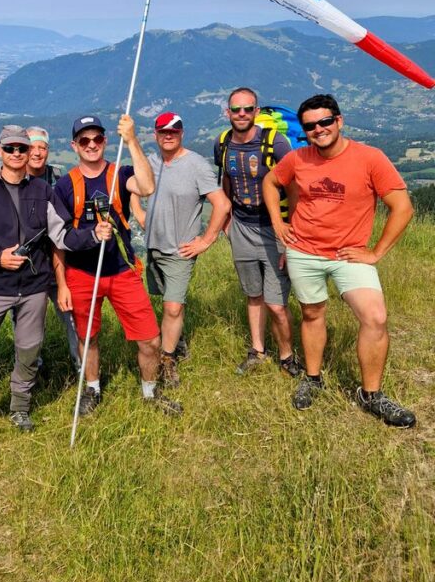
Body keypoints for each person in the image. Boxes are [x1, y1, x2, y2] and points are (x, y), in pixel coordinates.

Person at [0, 126, 110, 445]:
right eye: (10, 148)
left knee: (28, 353)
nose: (17, 154)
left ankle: (20, 409)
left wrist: (93, 234)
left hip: (33, 288)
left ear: (29, 154)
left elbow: (62, 235)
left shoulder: (43, 191)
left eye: (22, 149)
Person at [262, 94, 416, 426]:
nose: (319, 129)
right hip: (304, 251)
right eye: (310, 126)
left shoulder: (369, 158)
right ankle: (313, 379)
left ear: (339, 121)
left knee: (375, 317)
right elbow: (271, 182)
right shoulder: (298, 158)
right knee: (312, 313)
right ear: (304, 130)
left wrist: (375, 253)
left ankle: (370, 395)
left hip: (350, 254)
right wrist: (278, 223)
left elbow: (402, 208)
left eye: (325, 122)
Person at [53, 114, 182, 417]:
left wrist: (133, 140)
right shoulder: (64, 186)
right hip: (82, 273)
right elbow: (58, 238)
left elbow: (148, 186)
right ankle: (93, 388)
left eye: (97, 138)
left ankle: (150, 393)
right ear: (74, 145)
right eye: (84, 140)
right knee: (88, 337)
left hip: (122, 269)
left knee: (150, 339)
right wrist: (90, 237)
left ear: (105, 140)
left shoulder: (121, 173)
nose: (92, 145)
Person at [132, 112, 230, 389]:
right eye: (163, 130)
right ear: (155, 134)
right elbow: (134, 189)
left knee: (173, 307)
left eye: (174, 130)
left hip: (180, 250)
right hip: (153, 247)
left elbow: (221, 205)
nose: (168, 135)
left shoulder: (196, 165)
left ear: (182, 133)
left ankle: (168, 358)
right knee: (165, 301)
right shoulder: (150, 162)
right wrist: (138, 211)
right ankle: (177, 339)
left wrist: (205, 241)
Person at [214, 88, 303, 377]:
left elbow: (293, 187)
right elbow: (226, 178)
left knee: (276, 304)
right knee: (253, 295)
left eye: (247, 109)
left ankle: (287, 355)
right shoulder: (223, 143)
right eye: (236, 109)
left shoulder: (275, 143)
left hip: (274, 228)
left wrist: (291, 234)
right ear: (228, 112)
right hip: (242, 225)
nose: (241, 114)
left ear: (256, 111)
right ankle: (258, 351)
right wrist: (227, 218)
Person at [25, 125, 81, 374]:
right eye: (32, 147)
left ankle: (83, 368)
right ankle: (31, 373)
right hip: (27, 268)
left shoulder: (60, 178)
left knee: (73, 318)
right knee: (27, 326)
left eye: (43, 148)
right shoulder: (6, 176)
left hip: (60, 264)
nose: (37, 153)